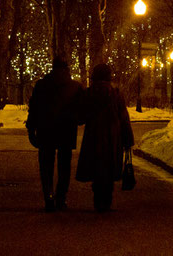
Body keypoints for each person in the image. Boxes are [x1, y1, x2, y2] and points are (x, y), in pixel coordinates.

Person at [75, 62, 135, 212]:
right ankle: (107, 200)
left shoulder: (89, 93)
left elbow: (81, 117)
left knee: (96, 167)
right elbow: (123, 118)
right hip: (112, 138)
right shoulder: (116, 94)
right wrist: (128, 140)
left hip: (93, 136)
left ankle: (98, 198)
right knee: (108, 168)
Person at [26, 58, 84, 212]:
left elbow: (34, 109)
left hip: (46, 131)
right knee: (64, 167)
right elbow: (81, 111)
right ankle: (61, 197)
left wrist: (31, 129)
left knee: (46, 166)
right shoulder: (75, 87)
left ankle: (48, 196)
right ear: (67, 69)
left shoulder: (41, 85)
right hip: (66, 131)